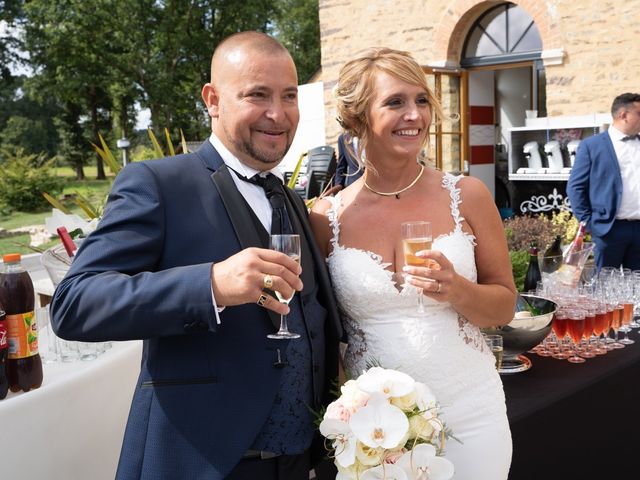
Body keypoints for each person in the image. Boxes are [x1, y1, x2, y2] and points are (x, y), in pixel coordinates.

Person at [49, 31, 342, 480]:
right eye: (257, 95)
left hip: (301, 462)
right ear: (213, 100)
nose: (278, 114)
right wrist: (210, 285)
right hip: (203, 463)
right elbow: (75, 304)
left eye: (288, 96)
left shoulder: (290, 198)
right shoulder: (157, 184)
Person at [310, 47, 516, 480]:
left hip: (471, 411)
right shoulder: (325, 218)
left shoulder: (468, 195)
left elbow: (503, 309)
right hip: (378, 429)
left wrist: (457, 289)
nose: (414, 115)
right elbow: (323, 331)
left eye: (421, 100)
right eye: (395, 102)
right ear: (358, 117)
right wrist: (351, 414)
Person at [567, 92, 640, 270]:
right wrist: (590, 223)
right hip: (609, 229)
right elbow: (575, 187)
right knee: (603, 288)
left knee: (636, 289)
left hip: (639, 229)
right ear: (624, 115)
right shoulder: (592, 146)